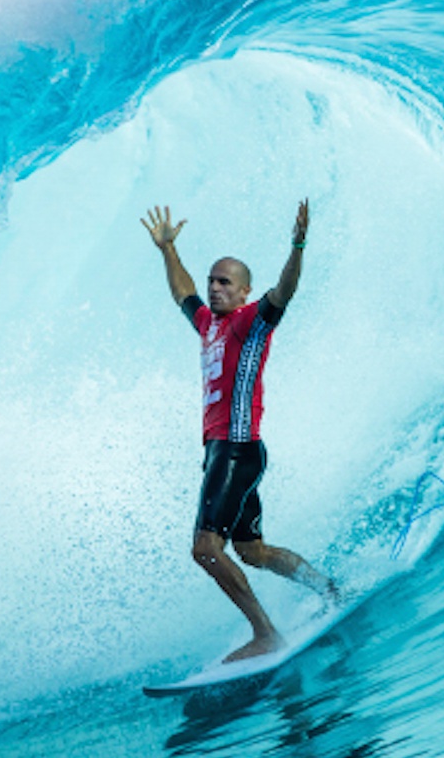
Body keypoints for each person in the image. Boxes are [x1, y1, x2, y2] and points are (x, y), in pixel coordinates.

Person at [141, 201, 339, 662]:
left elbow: (284, 292)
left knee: (206, 549)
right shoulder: (208, 324)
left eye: (224, 282)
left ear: (244, 292)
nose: (213, 288)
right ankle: (329, 590)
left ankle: (265, 633)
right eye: (212, 280)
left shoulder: (250, 325)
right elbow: (182, 293)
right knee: (251, 550)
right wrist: (168, 249)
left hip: (237, 450)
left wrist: (298, 247)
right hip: (220, 453)